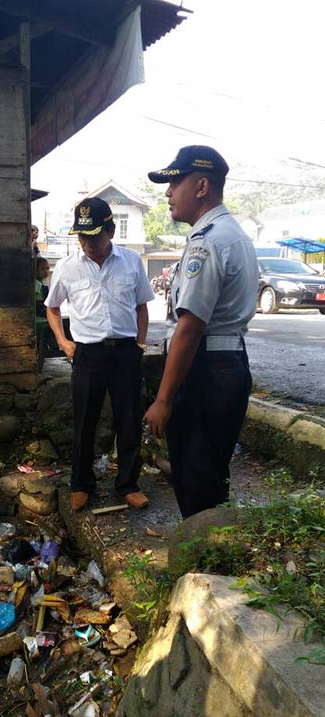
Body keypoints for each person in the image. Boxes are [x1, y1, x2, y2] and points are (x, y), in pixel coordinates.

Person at [144, 145, 259, 519]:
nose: (167, 192)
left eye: (175, 182)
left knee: (195, 478)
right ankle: (214, 561)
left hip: (206, 371)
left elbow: (189, 329)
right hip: (227, 364)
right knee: (211, 475)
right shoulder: (232, 234)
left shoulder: (207, 240)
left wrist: (163, 400)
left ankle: (202, 571)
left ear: (202, 186)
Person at [45, 196, 154, 512]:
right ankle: (81, 484)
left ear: (110, 230)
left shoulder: (132, 262)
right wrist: (64, 343)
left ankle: (128, 485)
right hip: (88, 354)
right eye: (81, 236)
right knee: (84, 422)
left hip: (125, 351)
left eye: (93, 235)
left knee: (129, 419)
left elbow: (141, 306)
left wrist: (140, 345)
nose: (87, 243)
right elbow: (52, 309)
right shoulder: (67, 267)